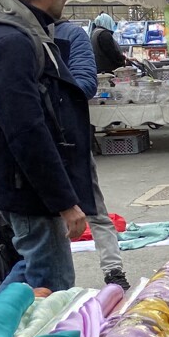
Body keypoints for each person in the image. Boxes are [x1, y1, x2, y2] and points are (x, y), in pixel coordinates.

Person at [0, 0, 93, 290]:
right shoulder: (13, 40)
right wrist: (64, 202)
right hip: (27, 186)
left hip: (20, 182)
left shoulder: (15, 31)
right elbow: (25, 129)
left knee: (30, 277)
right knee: (49, 286)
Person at [53, 17, 130, 289]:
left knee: (93, 206)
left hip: (68, 138)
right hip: (29, 141)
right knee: (40, 222)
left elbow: (85, 83)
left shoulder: (69, 34)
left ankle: (113, 270)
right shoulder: (13, 34)